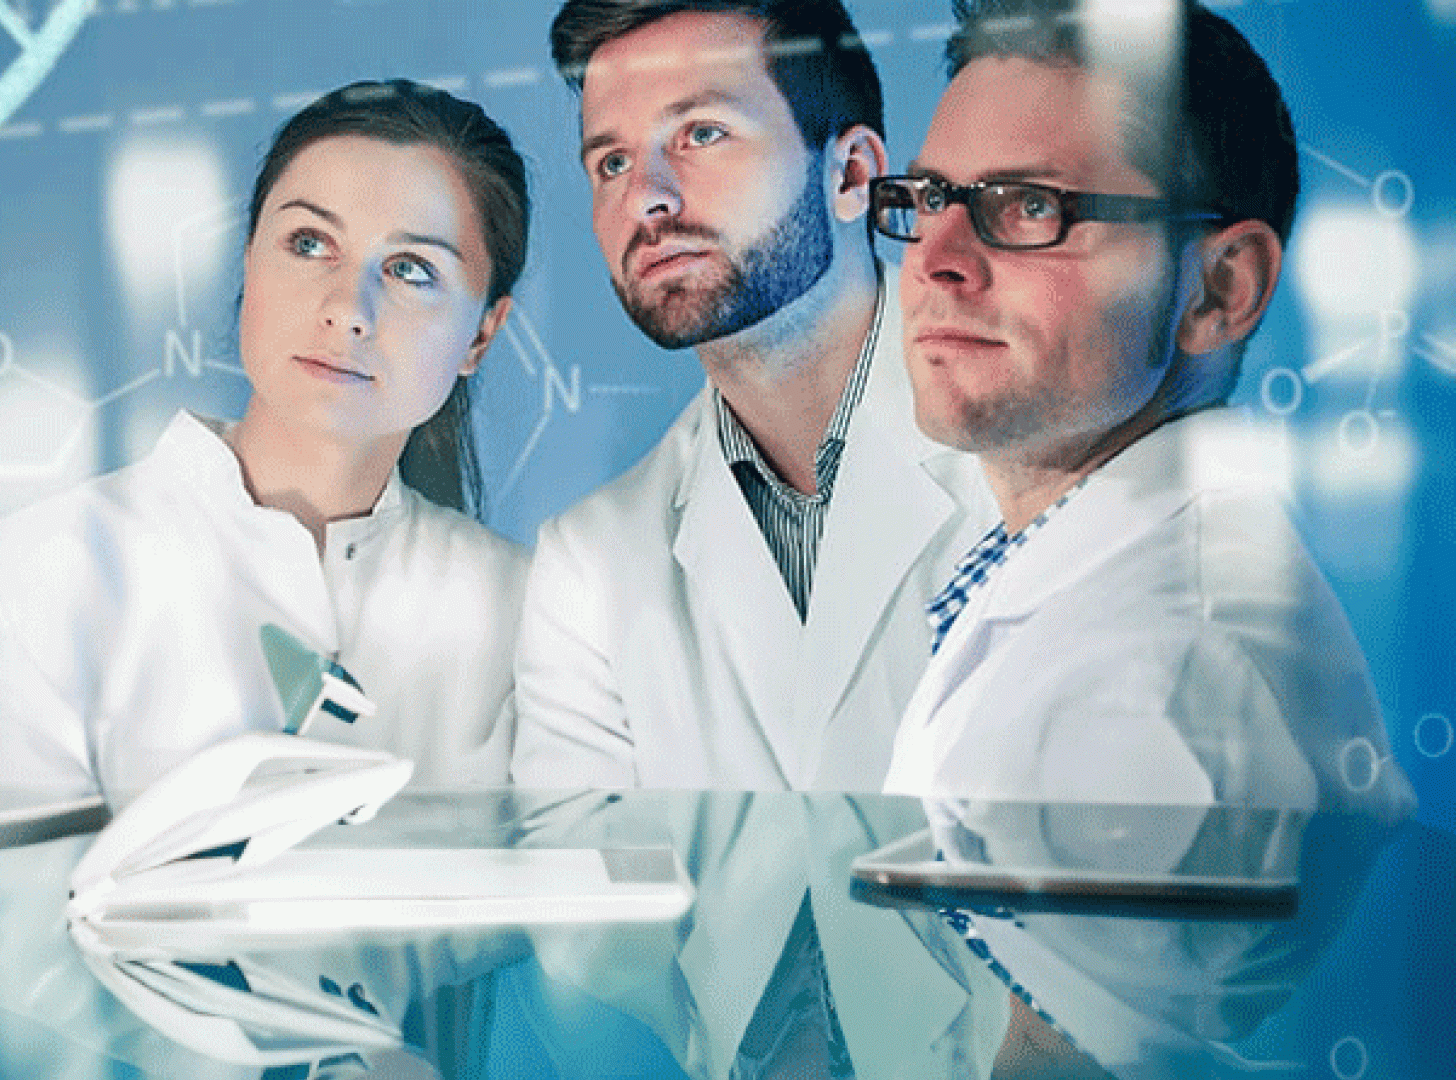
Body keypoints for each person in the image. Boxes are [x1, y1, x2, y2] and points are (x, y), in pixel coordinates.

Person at [874, 2, 1417, 1074]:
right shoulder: (1066, 568)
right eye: (927, 198)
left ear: (1221, 291)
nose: (934, 258)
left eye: (1026, 206)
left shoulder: (1155, 680)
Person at [504, 5, 1006, 1079]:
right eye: (609, 161)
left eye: (700, 134)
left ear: (851, 173)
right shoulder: (590, 562)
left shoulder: (1044, 460)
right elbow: (583, 908)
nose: (646, 196)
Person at [0, 79, 530, 803]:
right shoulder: (31, 581)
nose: (348, 310)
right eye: (310, 243)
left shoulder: (527, 613)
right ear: (250, 260)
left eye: (411, 269)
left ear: (481, 332)